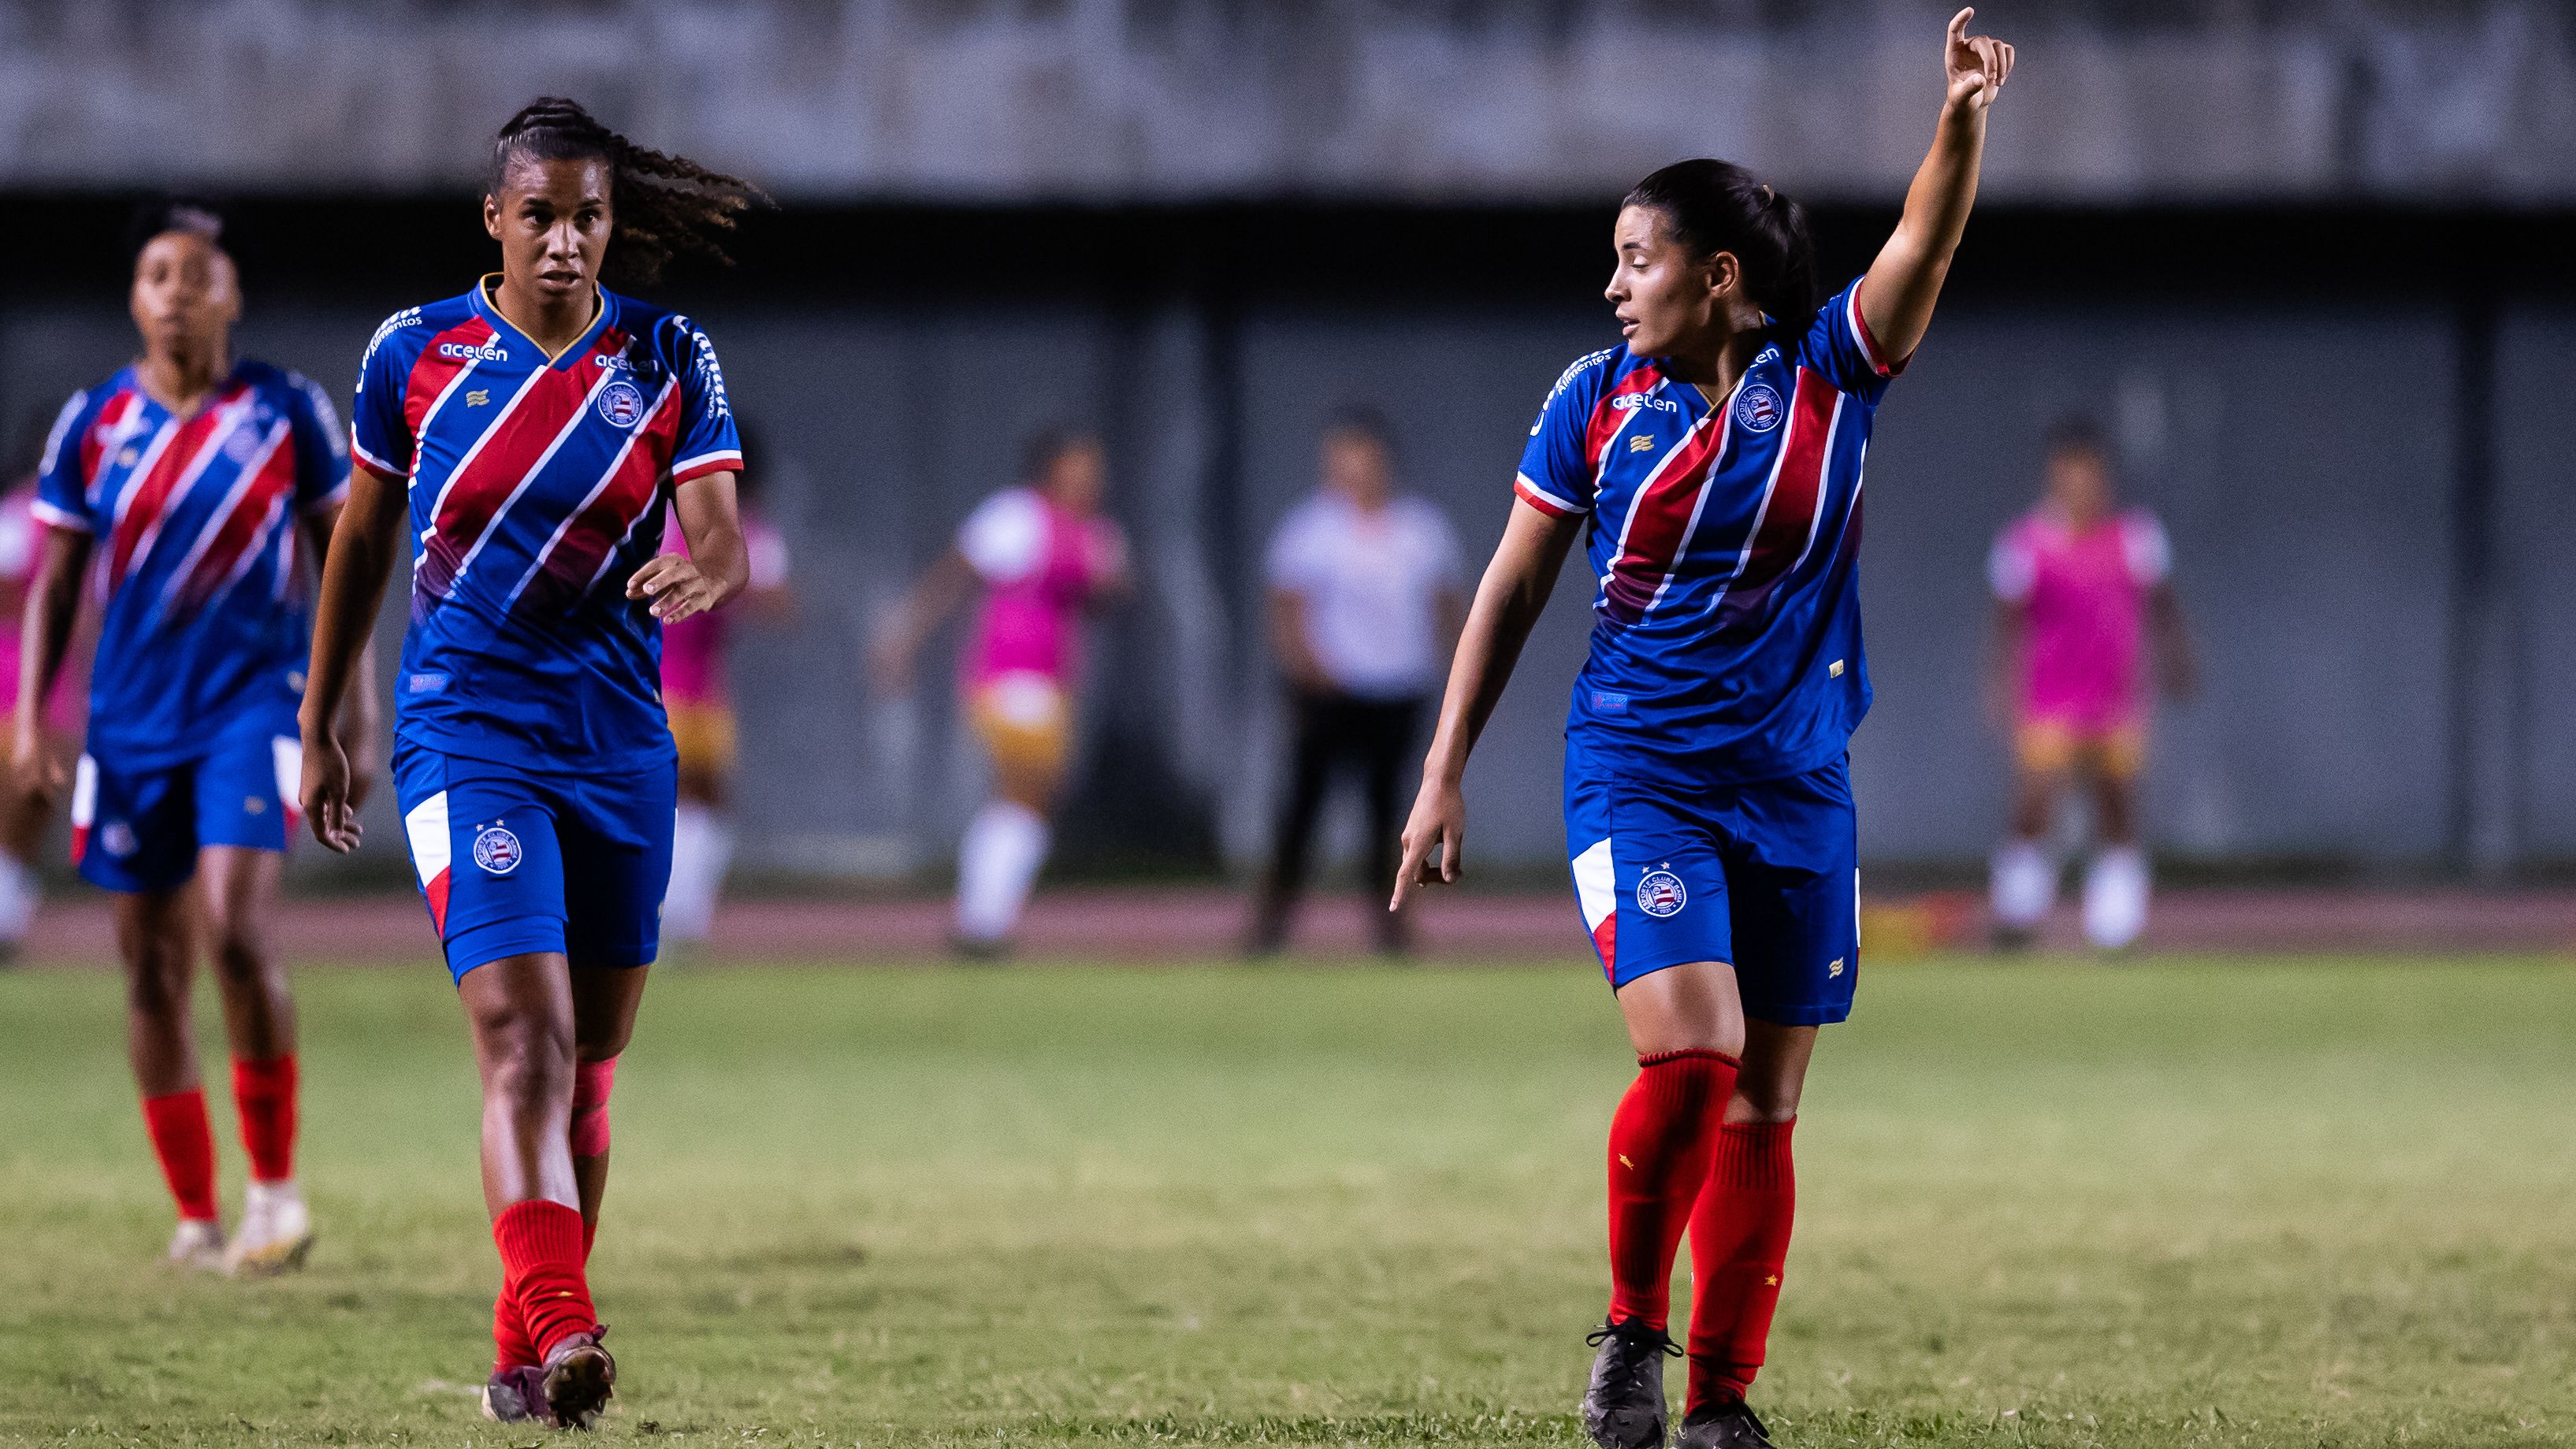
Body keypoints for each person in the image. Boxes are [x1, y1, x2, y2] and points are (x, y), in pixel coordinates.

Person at [1391, 13, 2014, 1449]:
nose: (1613, 285)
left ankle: (1723, 1401)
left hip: (1796, 782)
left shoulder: (1828, 375)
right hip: (1637, 773)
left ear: (1716, 275)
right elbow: (1512, 581)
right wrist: (1442, 768)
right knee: (1693, 1060)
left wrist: (1961, 121)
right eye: (1615, 260)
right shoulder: (1590, 400)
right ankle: (1628, 1333)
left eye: (1636, 258)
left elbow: (1917, 248)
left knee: (1765, 1101)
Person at [296, 98, 757, 1429]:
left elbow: (721, 536)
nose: (564, 240)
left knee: (591, 1055)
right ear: (493, 219)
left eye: (587, 216)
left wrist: (704, 568)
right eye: (539, 214)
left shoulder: (669, 354)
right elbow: (363, 540)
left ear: (614, 225)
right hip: (466, 730)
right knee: (522, 1039)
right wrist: (332, 709)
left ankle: (521, 1345)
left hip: (617, 739)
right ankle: (564, 1323)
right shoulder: (416, 350)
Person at [16, 198, 374, 1275]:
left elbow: (342, 560)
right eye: (159, 273)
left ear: (233, 294)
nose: (178, 290)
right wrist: (32, 710)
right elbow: (55, 581)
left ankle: (275, 1193)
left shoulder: (286, 412)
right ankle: (195, 1212)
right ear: (136, 295)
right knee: (149, 974)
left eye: (199, 273)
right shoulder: (92, 423)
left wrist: (343, 707)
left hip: (251, 710)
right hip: (128, 728)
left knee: (233, 930)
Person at [872, 429, 1128, 957]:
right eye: (1078, 466)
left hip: (1053, 682)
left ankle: (986, 918)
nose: (1088, 479)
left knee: (1030, 798)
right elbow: (953, 576)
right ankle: (981, 921)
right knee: (1021, 789)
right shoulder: (1015, 516)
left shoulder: (1092, 532)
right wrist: (903, 635)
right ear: (1050, 469)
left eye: (1094, 469)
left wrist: (1109, 579)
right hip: (1009, 676)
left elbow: (1111, 595)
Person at [1248, 406, 1465, 955]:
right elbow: (1287, 610)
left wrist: (1455, 676)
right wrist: (1310, 670)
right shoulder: (1310, 530)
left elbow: (1447, 607)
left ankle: (1392, 928)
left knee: (1389, 815)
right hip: (1327, 693)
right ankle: (1269, 928)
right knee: (1301, 810)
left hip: (1397, 691)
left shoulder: (1419, 529)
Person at [1985, 418, 2194, 950]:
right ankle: (2016, 913)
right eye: (2067, 474)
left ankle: (2116, 925)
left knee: (2116, 805)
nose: (2078, 484)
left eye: (2087, 473)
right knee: (2033, 803)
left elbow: (2163, 609)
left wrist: (2176, 662)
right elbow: (2005, 625)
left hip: (2114, 698)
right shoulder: (2024, 544)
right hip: (2049, 696)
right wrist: (1997, 688)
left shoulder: (2136, 537)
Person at [658, 451, 793, 949]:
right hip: (679, 688)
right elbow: (781, 603)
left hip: (685, 687)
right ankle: (674, 920)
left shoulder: (664, 517)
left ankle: (680, 920)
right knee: (697, 800)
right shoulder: (744, 533)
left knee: (700, 801)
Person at [0, 410, 89, 960]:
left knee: (33, 811)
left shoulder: (79, 524)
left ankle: (8, 917)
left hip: (57, 692)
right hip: (10, 687)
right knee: (16, 805)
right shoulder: (18, 517)